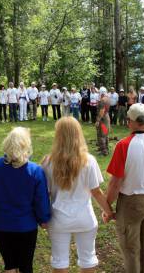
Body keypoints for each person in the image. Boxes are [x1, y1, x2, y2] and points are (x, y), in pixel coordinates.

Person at [42, 117, 112, 273]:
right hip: (85, 217)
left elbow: (44, 194)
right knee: (88, 259)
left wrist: (42, 218)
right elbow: (96, 192)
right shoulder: (89, 161)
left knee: (60, 260)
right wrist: (109, 212)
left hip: (58, 218)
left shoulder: (48, 162)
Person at [105, 103, 144, 273]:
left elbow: (115, 183)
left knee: (131, 250)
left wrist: (107, 207)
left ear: (130, 122)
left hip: (131, 203)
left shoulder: (124, 145)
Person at [0, 127, 50, 273]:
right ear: (26, 145)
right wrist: (44, 219)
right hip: (24, 226)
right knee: (26, 265)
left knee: (10, 264)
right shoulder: (34, 171)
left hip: (1, 225)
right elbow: (41, 200)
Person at [96, 87, 110, 156]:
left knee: (102, 135)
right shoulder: (107, 99)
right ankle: (106, 148)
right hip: (106, 117)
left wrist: (98, 120)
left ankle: (104, 151)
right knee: (105, 134)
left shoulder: (102, 100)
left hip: (103, 119)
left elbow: (102, 111)